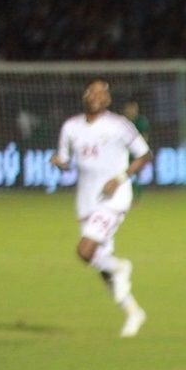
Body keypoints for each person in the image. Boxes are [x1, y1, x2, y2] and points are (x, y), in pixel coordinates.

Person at [52, 78, 150, 337]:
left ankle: (121, 267)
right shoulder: (71, 127)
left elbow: (144, 154)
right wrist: (58, 163)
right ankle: (133, 312)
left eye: (101, 92)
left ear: (107, 100)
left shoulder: (119, 125)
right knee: (101, 266)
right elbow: (65, 160)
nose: (95, 95)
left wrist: (119, 178)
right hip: (86, 199)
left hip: (114, 198)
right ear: (84, 96)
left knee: (85, 251)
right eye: (91, 91)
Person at [122, 100, 152, 201]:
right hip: (123, 153)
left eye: (133, 109)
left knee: (136, 175)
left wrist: (143, 151)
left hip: (137, 154)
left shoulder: (141, 121)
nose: (131, 111)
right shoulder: (121, 122)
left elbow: (144, 137)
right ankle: (126, 196)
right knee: (125, 176)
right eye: (129, 108)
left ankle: (136, 197)